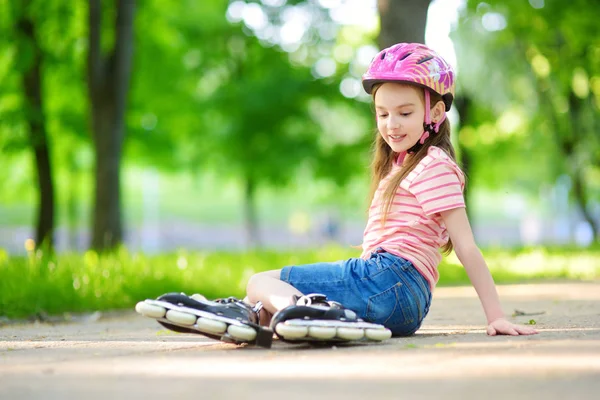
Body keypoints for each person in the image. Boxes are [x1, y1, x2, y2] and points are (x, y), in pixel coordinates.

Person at [136, 43, 538, 347]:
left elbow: (466, 246)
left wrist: (496, 315)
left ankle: (280, 310)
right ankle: (253, 318)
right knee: (267, 299)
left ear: (434, 113)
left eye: (405, 112)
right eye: (382, 113)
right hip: (398, 298)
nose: (391, 124)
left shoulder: (433, 164)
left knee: (261, 279)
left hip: (390, 282)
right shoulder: (402, 167)